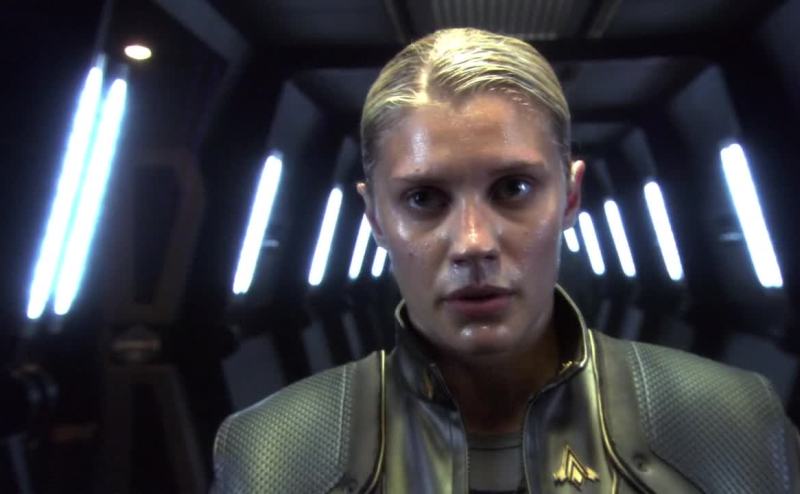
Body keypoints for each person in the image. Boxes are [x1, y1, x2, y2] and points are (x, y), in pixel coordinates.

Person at [211, 28, 799, 493]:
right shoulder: (273, 456)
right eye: (424, 199)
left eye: (513, 188)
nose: (473, 242)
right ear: (376, 219)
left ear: (570, 197)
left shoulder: (733, 424)